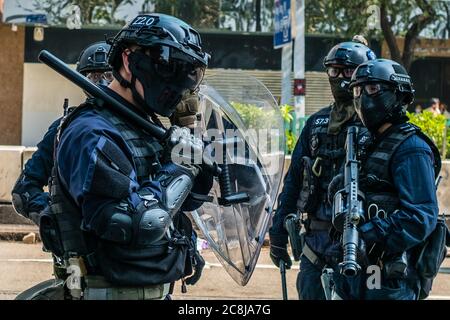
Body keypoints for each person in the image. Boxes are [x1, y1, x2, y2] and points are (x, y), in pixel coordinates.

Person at [44, 13, 212, 300]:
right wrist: (181, 168)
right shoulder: (92, 132)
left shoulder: (144, 125)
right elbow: (133, 223)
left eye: (189, 72)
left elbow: (181, 201)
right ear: (128, 60)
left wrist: (200, 169)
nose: (181, 82)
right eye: (172, 67)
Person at [269, 38, 376, 300]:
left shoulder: (377, 125)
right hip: (315, 241)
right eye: (334, 70)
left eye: (348, 70)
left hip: (361, 242)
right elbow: (293, 181)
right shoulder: (315, 123)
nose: (340, 77)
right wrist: (278, 233)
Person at [332, 58, 441, 300]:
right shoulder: (363, 143)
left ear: (398, 95)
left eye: (372, 89)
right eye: (358, 90)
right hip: (353, 273)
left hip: (390, 280)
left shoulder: (411, 148)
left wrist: (367, 234)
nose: (362, 97)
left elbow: (420, 216)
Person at [11, 41, 113, 226]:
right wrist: (58, 220)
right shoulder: (64, 128)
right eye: (93, 76)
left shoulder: (142, 125)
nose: (102, 82)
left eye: (109, 75)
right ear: (82, 80)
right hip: (83, 247)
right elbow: (23, 191)